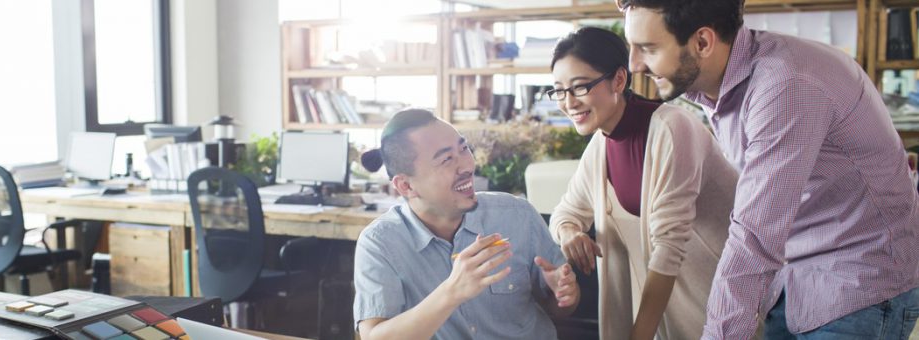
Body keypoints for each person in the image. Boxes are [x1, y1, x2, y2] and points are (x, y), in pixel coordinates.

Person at [619, 0, 919, 339]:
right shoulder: (726, 87)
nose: (635, 65)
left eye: (648, 48)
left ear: (703, 42)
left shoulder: (786, 85)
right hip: (796, 282)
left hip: (858, 287)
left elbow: (754, 235)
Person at [547, 26, 741, 340]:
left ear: (619, 80)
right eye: (558, 90)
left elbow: (668, 246)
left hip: (723, 314)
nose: (568, 102)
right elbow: (565, 213)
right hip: (664, 324)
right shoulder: (601, 145)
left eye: (580, 87)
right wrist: (569, 232)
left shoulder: (672, 129)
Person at [352, 109, 579, 340]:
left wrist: (563, 294)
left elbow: (561, 309)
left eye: (464, 148)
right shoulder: (380, 243)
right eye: (446, 159)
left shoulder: (517, 214)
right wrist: (453, 291)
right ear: (406, 186)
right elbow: (374, 336)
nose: (467, 166)